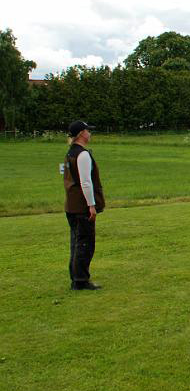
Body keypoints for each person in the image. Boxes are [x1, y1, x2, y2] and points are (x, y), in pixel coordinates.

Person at [63, 120, 105, 291]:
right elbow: (86, 182)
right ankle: (80, 280)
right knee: (85, 243)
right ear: (81, 134)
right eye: (88, 130)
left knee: (76, 242)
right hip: (81, 207)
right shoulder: (83, 155)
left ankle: (76, 277)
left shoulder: (70, 153)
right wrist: (92, 205)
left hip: (71, 205)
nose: (90, 133)